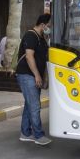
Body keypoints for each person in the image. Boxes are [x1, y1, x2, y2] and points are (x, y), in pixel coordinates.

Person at [16, 14, 53, 146]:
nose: (50, 28)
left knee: (29, 104)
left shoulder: (42, 37)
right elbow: (29, 57)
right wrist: (37, 75)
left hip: (32, 75)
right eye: (49, 25)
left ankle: (25, 133)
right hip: (27, 75)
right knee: (35, 105)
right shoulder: (31, 35)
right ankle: (38, 135)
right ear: (43, 24)